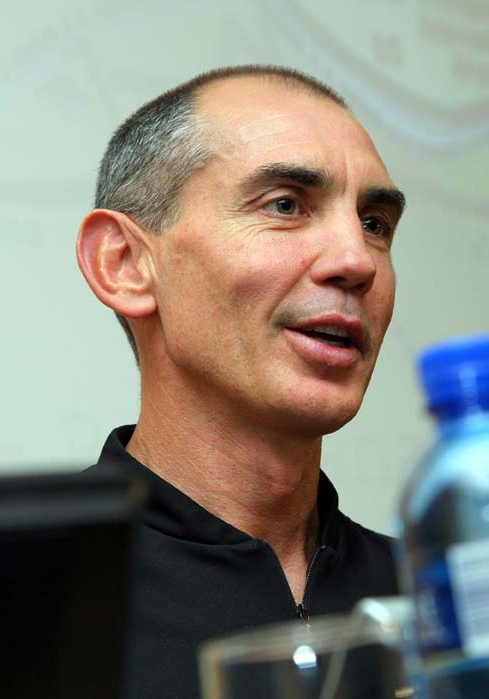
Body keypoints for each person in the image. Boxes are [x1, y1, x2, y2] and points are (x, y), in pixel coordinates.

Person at [76, 65, 407, 698]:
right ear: (125, 264)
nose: (357, 260)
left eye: (374, 224)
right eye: (285, 205)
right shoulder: (14, 605)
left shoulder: (440, 604)